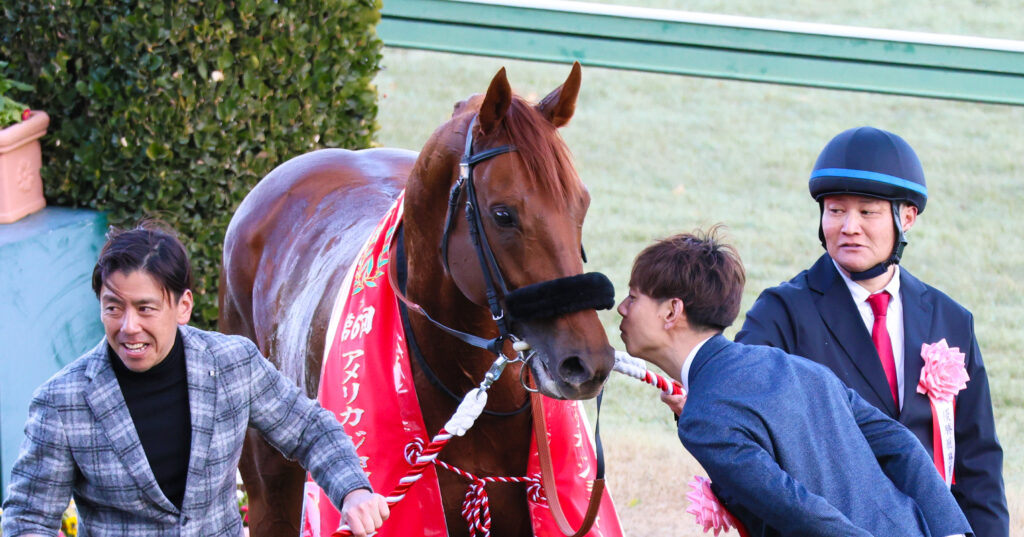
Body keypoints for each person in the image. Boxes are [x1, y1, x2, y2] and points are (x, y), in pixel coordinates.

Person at [2, 222, 389, 536]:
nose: (128, 326)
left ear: (183, 306)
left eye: (145, 308)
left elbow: (309, 429)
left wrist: (353, 490)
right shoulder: (61, 402)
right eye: (113, 308)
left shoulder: (232, 364)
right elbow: (28, 520)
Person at [736, 126, 1008, 536]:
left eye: (868, 212)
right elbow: (744, 428)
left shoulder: (951, 321)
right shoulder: (782, 313)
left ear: (907, 218)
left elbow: (978, 462)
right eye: (836, 210)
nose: (849, 226)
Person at [618, 228, 971, 536]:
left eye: (633, 297)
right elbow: (900, 443)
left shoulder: (703, 418)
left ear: (671, 312)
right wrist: (951, 530)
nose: (621, 308)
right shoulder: (795, 366)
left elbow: (796, 510)